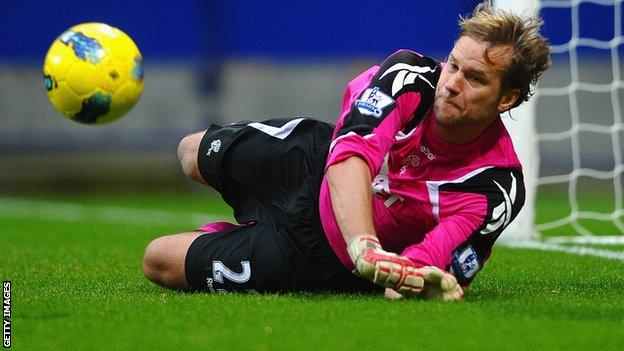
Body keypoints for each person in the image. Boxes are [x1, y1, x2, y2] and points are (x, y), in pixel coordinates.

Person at [142, 1, 551, 300]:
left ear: (506, 99)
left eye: (474, 78)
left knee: (159, 260)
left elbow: (429, 262)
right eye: (453, 65)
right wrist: (366, 244)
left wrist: (406, 277)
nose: (451, 83)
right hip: (312, 163)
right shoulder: (410, 76)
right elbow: (350, 157)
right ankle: (253, 214)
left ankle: (240, 236)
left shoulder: (495, 187)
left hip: (321, 259)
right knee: (191, 152)